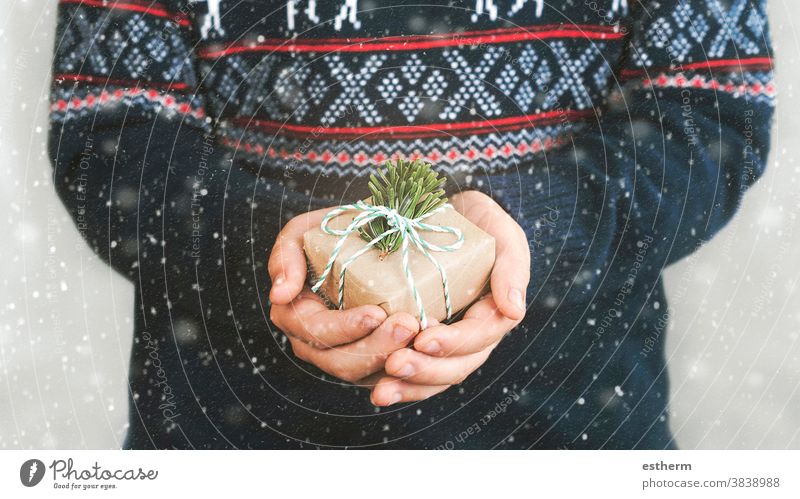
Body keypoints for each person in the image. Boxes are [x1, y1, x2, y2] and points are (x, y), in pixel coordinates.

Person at [49, 0, 775, 449]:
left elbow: (707, 112)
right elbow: (107, 135)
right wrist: (277, 251)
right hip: (236, 435)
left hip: (567, 432)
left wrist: (524, 237)